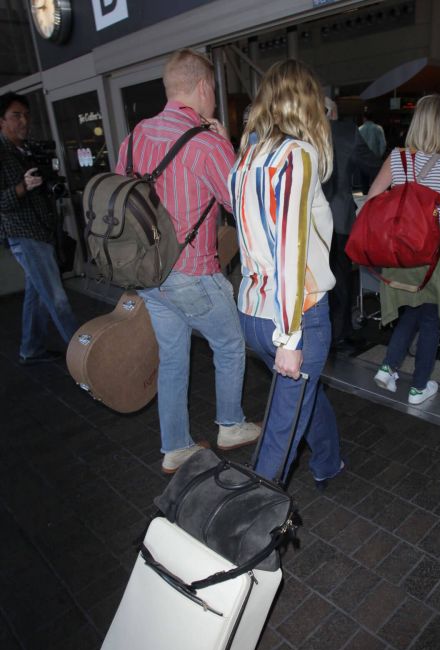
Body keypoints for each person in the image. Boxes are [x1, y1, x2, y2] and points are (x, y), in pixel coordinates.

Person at [115, 49, 260, 475]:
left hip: (147, 275)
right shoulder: (206, 142)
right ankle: (230, 425)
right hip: (193, 274)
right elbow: (242, 204)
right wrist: (229, 147)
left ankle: (175, 447)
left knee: (173, 357)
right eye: (213, 90)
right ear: (203, 87)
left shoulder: (134, 137)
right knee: (230, 344)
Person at [229, 59, 343, 486]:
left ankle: (329, 462)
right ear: (307, 103)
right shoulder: (298, 155)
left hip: (253, 312)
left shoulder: (246, 158)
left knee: (301, 397)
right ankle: (246, 527)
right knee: (280, 437)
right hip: (296, 316)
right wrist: (291, 337)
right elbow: (291, 250)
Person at [369, 94, 440, 405]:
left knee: (414, 309)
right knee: (430, 317)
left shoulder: (397, 157)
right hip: (434, 251)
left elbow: (374, 198)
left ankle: (389, 366)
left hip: (402, 250)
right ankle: (418, 387)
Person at [0, 91, 77, 365]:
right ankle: (87, 355)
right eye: (16, 116)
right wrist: (22, 187)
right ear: (1, 121)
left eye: (26, 115)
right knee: (56, 297)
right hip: (24, 234)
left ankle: (31, 348)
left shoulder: (28, 149)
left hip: (42, 230)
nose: (24, 121)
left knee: (37, 295)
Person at [322, 99, 382, 352]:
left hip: (305, 220)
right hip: (337, 217)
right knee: (341, 278)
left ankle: (321, 332)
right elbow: (373, 165)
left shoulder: (300, 131)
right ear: (333, 112)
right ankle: (339, 335)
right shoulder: (345, 131)